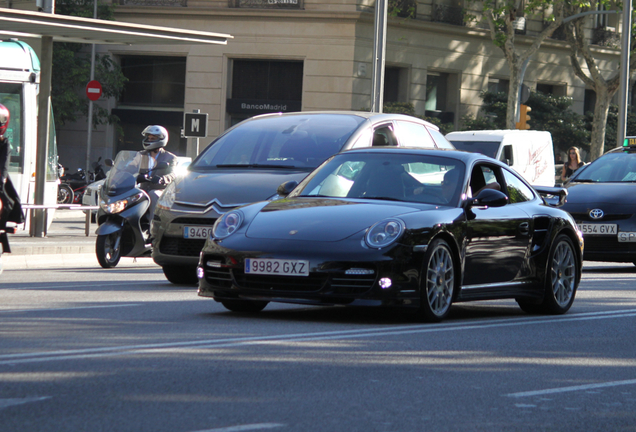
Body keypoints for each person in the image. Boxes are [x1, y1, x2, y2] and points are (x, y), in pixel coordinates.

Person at [134, 125, 177, 236]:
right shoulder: (140, 155)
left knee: (153, 194)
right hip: (143, 189)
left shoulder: (170, 157)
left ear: (161, 139)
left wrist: (162, 179)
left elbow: (172, 174)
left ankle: (153, 229)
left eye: (152, 138)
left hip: (159, 190)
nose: (149, 140)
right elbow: (130, 168)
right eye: (148, 138)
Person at [0, 104, 24, 257]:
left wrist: (1, 178)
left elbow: (4, 166)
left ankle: (1, 225)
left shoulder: (4, 144)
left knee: (6, 200)